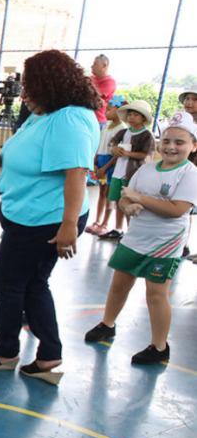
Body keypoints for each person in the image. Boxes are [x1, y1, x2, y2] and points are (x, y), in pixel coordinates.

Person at [0, 50, 99, 385]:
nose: (24, 94)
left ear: (51, 85)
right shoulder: (45, 114)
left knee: (8, 284)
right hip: (28, 216)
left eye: (30, 86)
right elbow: (31, 157)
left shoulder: (70, 118)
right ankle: (48, 356)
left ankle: (5, 352)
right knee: (32, 284)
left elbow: (76, 173)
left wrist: (68, 225)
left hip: (46, 221)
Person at [84, 113, 197, 364]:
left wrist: (141, 199)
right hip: (135, 238)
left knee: (156, 295)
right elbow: (125, 196)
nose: (171, 147)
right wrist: (127, 205)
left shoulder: (190, 174)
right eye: (166, 140)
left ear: (193, 145)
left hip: (165, 245)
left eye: (180, 142)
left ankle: (159, 348)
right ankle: (107, 323)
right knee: (119, 285)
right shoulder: (146, 169)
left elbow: (178, 209)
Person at [101, 100, 155, 240]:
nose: (131, 117)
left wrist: (128, 154)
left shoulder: (146, 135)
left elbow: (146, 154)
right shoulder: (123, 132)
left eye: (135, 115)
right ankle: (118, 229)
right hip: (118, 172)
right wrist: (114, 149)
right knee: (119, 202)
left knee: (129, 203)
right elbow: (112, 144)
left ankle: (131, 231)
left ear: (143, 118)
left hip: (132, 174)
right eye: (129, 114)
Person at [87, 95, 128, 236]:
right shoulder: (106, 126)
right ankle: (97, 221)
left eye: (109, 110)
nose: (106, 112)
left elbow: (118, 153)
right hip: (102, 161)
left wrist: (105, 167)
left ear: (119, 111)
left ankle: (105, 223)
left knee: (110, 194)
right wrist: (96, 160)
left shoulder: (122, 129)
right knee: (102, 192)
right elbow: (101, 145)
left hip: (111, 163)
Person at [90, 54, 116, 128]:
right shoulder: (90, 78)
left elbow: (93, 95)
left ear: (104, 66)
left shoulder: (110, 81)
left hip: (98, 121)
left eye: (95, 64)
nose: (92, 66)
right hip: (86, 116)